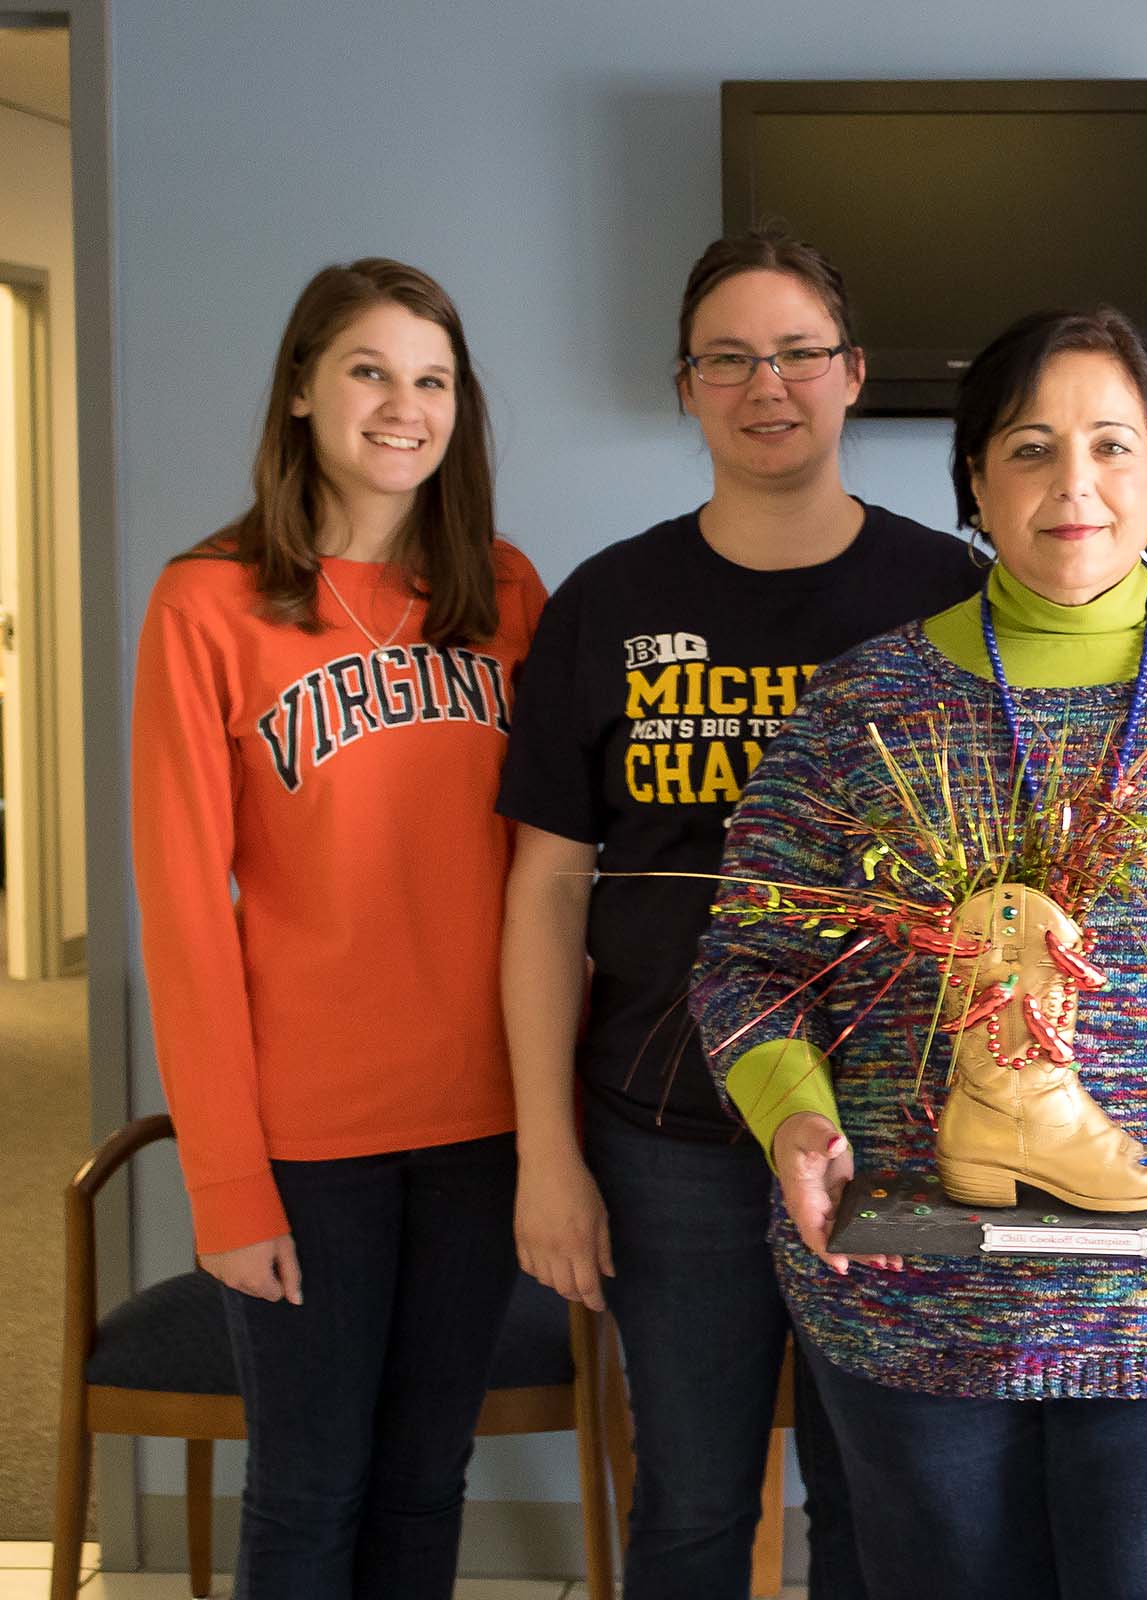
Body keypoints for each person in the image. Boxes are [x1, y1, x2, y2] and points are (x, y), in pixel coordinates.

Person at [688, 306, 1147, 1600]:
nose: (1073, 484)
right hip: (916, 1308)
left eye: (1110, 445)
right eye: (1030, 448)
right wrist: (794, 1122)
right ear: (974, 480)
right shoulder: (865, 706)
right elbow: (749, 959)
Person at [498, 231, 979, 1599]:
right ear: (687, 387)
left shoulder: (944, 600)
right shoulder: (610, 603)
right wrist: (548, 1154)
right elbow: (543, 890)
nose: (766, 385)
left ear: (853, 377)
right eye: (729, 358)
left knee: (877, 1510)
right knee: (694, 1510)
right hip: (667, 1137)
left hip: (893, 1130)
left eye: (798, 354)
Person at [130, 258, 543, 1598]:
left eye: (432, 379)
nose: (402, 406)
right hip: (309, 1139)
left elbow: (551, 875)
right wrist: (225, 1184)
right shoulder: (209, 603)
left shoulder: (504, 593)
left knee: (427, 1480)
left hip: (483, 1123)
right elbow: (184, 913)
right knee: (310, 1491)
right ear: (304, 387)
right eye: (370, 370)